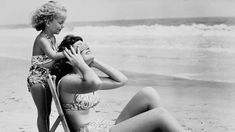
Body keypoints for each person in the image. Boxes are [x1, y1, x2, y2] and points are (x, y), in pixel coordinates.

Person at [50, 34, 184, 132]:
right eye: (79, 46)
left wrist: (94, 61)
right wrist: (81, 63)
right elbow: (95, 82)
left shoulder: (84, 79)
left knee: (148, 93)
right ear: (69, 58)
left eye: (85, 44)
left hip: (106, 127)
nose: (85, 46)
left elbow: (121, 80)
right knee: (160, 114)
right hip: (92, 131)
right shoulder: (67, 81)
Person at [27, 1, 67, 132]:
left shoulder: (52, 38)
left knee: (48, 111)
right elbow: (54, 55)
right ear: (48, 22)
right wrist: (68, 53)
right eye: (60, 22)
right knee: (42, 112)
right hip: (37, 79)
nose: (63, 25)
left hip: (48, 78)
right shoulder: (42, 39)